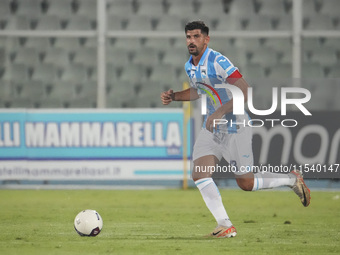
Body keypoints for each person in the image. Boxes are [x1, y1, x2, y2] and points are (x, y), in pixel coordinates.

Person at [160, 21, 311, 238]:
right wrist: (174, 96)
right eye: (188, 37)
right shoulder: (189, 66)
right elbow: (198, 91)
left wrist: (219, 112)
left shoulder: (218, 61)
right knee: (199, 174)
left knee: (246, 183)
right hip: (211, 128)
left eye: (196, 36)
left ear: (206, 39)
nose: (191, 41)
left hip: (235, 126)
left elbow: (245, 92)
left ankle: (291, 179)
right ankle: (225, 225)